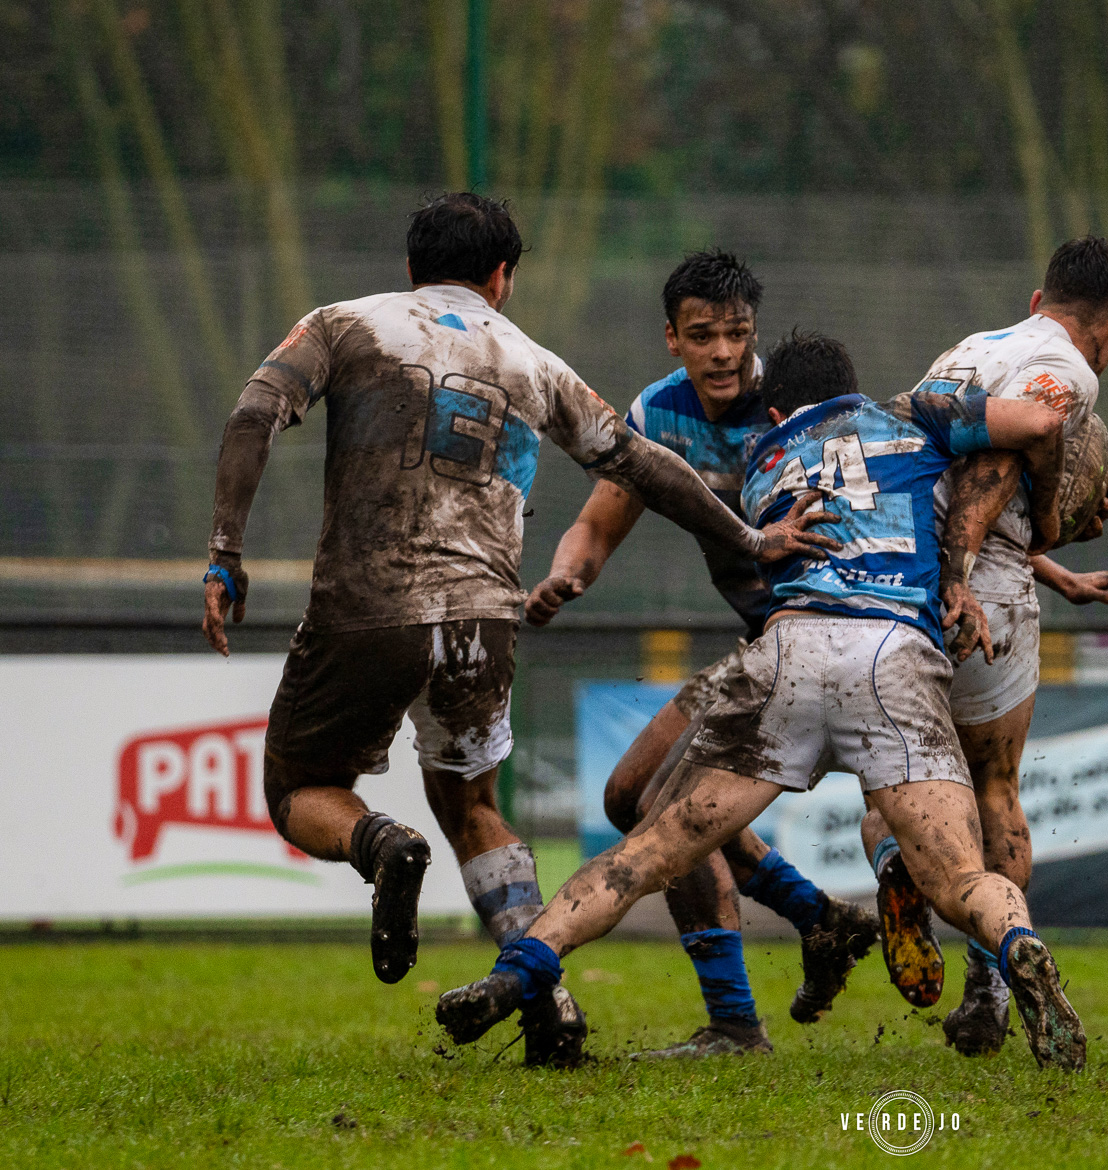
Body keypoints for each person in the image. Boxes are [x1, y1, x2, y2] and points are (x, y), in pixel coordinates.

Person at [200, 193, 834, 1068]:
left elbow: (253, 413)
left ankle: (380, 843)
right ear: (502, 277)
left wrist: (225, 553)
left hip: (367, 607)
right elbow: (645, 466)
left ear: (412, 267)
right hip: (482, 624)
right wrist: (752, 538)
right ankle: (551, 1004)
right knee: (474, 806)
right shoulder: (532, 359)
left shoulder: (345, 324)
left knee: (299, 787)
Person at [436, 331, 1089, 1072]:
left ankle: (520, 968)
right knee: (959, 877)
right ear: (856, 387)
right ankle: (1016, 943)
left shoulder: (760, 461)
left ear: (775, 409)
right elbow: (1036, 427)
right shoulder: (916, 416)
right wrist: (1046, 522)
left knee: (646, 848)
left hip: (786, 653)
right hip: (893, 655)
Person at [523, 251, 879, 1059]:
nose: (723, 352)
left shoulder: (795, 405)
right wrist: (565, 575)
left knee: (659, 808)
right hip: (760, 646)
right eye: (703, 335)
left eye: (737, 334)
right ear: (672, 338)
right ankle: (818, 918)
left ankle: (736, 1019)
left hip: (829, 640)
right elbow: (598, 521)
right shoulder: (659, 414)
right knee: (629, 796)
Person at [864, 235, 1108, 1059]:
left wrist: (1051, 567)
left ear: (1036, 301)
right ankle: (991, 984)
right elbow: (993, 466)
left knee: (891, 791)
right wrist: (992, 560)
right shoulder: (1072, 373)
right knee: (994, 787)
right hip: (976, 590)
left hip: (899, 578)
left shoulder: (966, 351)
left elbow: (935, 474)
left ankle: (898, 867)